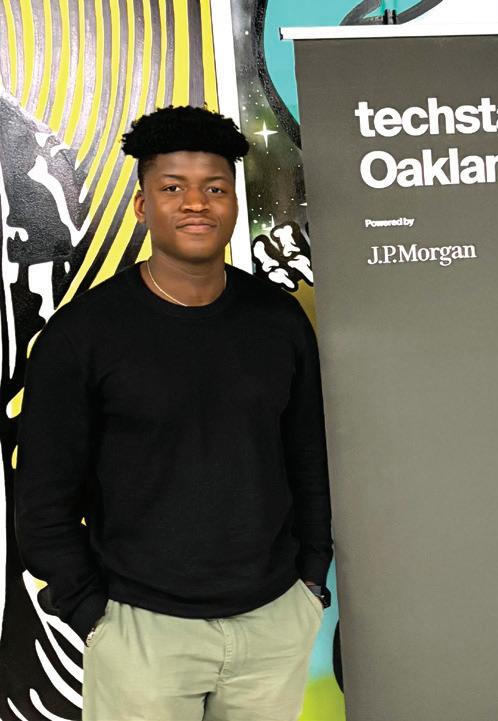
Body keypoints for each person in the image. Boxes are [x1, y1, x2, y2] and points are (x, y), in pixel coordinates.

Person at [14, 106, 332, 721]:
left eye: (214, 188)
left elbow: (308, 460)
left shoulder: (278, 320)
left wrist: (310, 582)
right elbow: (44, 499)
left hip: (273, 623)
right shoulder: (83, 335)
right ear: (142, 206)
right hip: (142, 632)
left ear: (233, 202)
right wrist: (92, 614)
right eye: (172, 188)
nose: (195, 204)